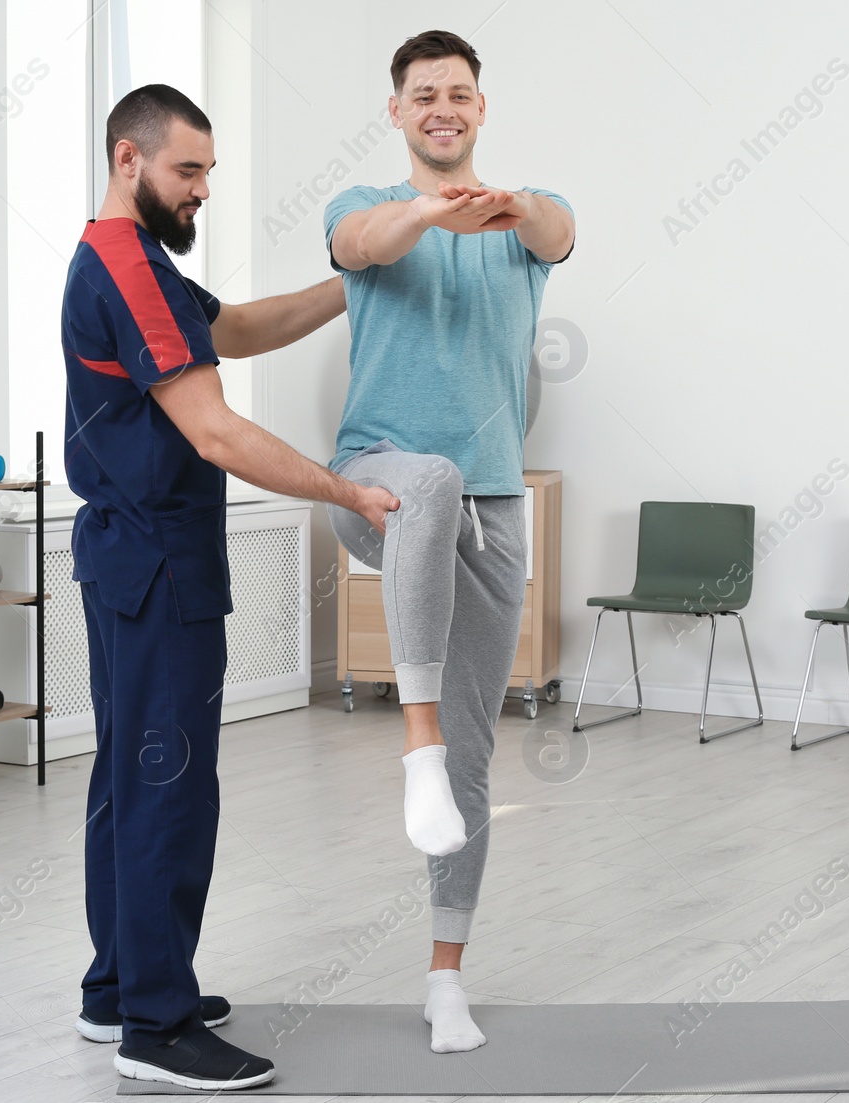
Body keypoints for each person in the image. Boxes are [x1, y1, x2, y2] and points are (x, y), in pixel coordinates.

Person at [61, 83, 398, 1091]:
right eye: (188, 171)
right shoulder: (128, 269)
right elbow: (214, 429)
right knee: (167, 782)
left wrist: (354, 277)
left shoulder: (133, 260)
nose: (202, 189)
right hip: (158, 558)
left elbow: (241, 326)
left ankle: (117, 983)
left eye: (208, 171)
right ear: (130, 159)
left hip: (128, 552)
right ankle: (157, 1026)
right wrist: (347, 490)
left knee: (127, 771)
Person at [323, 30, 575, 1054]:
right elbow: (364, 248)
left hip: (494, 505)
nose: (442, 107)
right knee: (423, 478)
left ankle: (443, 977)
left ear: (480, 108)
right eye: (423, 94)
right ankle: (412, 738)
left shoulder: (519, 221)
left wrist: (507, 206)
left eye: (459, 94)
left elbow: (558, 234)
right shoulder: (361, 207)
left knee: (477, 761)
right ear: (397, 110)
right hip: (373, 475)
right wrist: (429, 212)